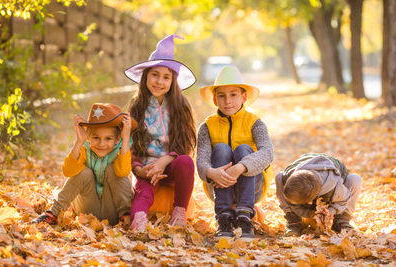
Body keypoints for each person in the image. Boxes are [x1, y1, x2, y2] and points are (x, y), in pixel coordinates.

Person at [124, 34, 197, 232]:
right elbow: (129, 144)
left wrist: (164, 161)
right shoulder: (137, 107)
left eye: (166, 77)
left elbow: (185, 143)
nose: (159, 81)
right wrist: (139, 169)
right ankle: (138, 221)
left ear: (173, 81)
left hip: (172, 166)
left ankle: (179, 211)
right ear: (145, 76)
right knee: (144, 193)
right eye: (155, 75)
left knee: (185, 162)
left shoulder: (180, 106)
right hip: (146, 168)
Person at [196, 65, 274, 240]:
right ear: (215, 100)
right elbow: (201, 160)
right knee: (221, 148)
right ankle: (223, 217)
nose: (227, 101)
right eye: (221, 96)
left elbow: (268, 153)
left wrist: (240, 167)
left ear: (244, 97)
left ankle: (245, 216)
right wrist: (211, 172)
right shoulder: (207, 127)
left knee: (243, 149)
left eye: (233, 94)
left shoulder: (255, 123)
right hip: (217, 186)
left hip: (253, 187)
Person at [32, 103, 137, 226]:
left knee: (113, 169)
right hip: (86, 210)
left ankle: (125, 216)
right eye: (96, 138)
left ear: (117, 140)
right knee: (84, 172)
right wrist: (79, 142)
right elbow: (68, 171)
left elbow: (123, 172)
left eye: (108, 139)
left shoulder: (121, 151)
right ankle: (53, 213)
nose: (101, 144)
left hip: (113, 212)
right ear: (88, 137)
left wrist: (125, 139)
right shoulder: (84, 150)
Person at [275, 153, 362, 236]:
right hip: (307, 176)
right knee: (279, 177)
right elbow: (292, 203)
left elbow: (344, 200)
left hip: (332, 185)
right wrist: (310, 214)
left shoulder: (335, 189)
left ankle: (341, 220)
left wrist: (330, 211)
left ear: (309, 202)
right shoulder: (289, 176)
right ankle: (293, 221)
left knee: (355, 179)